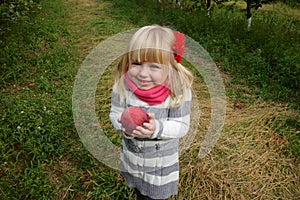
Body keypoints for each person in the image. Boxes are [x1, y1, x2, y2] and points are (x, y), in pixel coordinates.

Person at [109, 25, 193, 200]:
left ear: (170, 67)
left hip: (160, 167)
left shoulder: (177, 91)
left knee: (154, 196)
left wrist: (157, 128)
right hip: (133, 159)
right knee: (139, 191)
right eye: (137, 63)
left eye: (154, 66)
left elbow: (182, 126)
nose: (143, 73)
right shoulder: (122, 87)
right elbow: (115, 113)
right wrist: (124, 126)